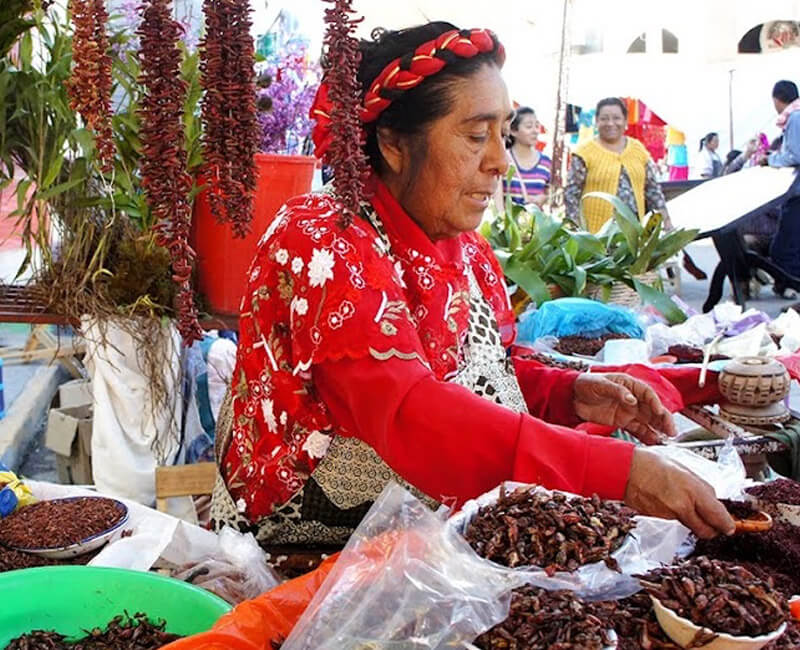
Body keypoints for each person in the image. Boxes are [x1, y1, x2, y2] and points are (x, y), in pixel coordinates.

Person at [209, 23, 734, 546]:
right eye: (476, 135)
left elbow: (477, 376)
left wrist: (565, 394)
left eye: (503, 135)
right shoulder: (324, 237)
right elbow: (408, 418)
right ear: (392, 143)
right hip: (299, 547)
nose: (500, 161)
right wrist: (616, 471)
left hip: (419, 537)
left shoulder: (469, 251)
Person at [564, 97, 707, 279]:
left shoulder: (638, 150)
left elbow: (653, 190)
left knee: (628, 286)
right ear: (596, 121)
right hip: (595, 236)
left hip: (632, 235)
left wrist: (667, 222)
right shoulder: (584, 152)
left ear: (625, 121)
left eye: (616, 118)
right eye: (604, 118)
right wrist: (577, 232)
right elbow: (571, 194)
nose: (610, 123)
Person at [762, 80, 800, 296]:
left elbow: (795, 155)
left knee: (784, 247)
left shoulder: (794, 118)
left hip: (796, 192)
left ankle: (792, 286)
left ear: (777, 99)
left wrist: (771, 160)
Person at [499, 106, 551, 207]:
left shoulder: (546, 163)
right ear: (513, 131)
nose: (535, 131)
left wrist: (542, 199)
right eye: (528, 126)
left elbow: (550, 194)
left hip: (535, 222)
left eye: (537, 126)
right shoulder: (503, 159)